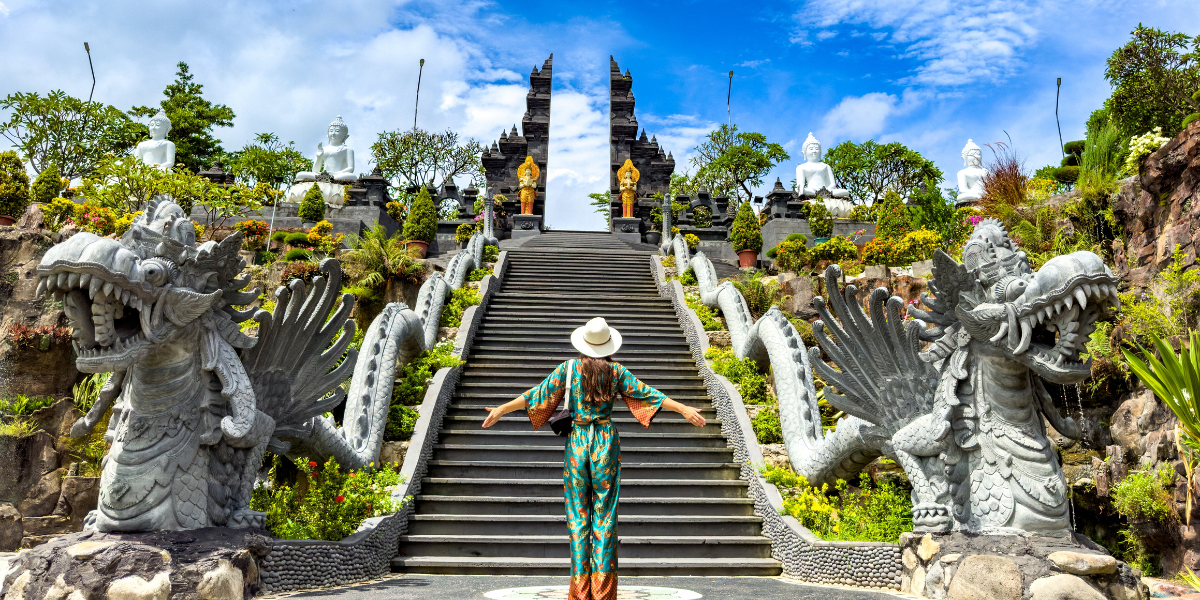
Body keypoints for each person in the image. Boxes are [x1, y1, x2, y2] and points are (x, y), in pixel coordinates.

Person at [482, 317, 706, 600]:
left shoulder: (568, 369)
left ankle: (579, 590)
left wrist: (502, 409)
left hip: (577, 442)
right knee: (605, 514)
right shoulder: (616, 372)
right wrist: (684, 408)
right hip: (606, 443)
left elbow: (535, 395)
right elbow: (649, 394)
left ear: (583, 344)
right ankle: (602, 591)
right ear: (608, 346)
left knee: (578, 515)